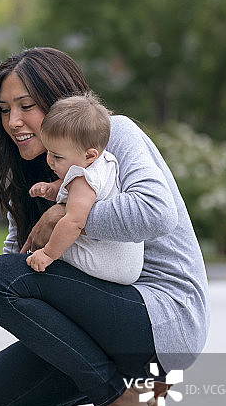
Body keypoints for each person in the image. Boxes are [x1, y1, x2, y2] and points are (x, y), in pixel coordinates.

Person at [0, 47, 210, 406]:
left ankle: (119, 400)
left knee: (4, 276)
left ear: (59, 102)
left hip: (162, 319)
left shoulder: (111, 135)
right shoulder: (32, 173)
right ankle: (142, 390)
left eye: (27, 106)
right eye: (4, 110)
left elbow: (157, 212)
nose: (14, 122)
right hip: (94, 324)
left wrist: (65, 216)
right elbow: (7, 286)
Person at [25, 92, 143, 285]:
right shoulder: (105, 162)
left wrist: (47, 254)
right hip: (125, 263)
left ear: (89, 155)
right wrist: (52, 189)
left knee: (42, 255)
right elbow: (75, 191)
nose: (50, 161)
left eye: (57, 157)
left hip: (104, 263)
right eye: (48, 153)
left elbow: (74, 222)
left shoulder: (83, 180)